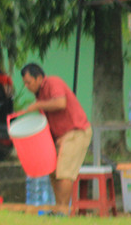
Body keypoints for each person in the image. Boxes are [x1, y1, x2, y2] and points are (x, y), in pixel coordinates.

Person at [14, 63, 92, 215]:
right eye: (25, 83)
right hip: (62, 136)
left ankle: (63, 210)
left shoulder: (52, 83)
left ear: (39, 78)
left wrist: (38, 105)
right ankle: (59, 208)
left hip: (77, 132)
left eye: (29, 82)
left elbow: (60, 103)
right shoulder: (40, 95)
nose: (27, 86)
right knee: (52, 170)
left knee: (64, 172)